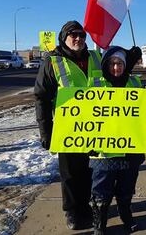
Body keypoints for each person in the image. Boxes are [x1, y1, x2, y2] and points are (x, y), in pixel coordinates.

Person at [34, 21, 101, 230]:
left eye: (82, 35)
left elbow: (113, 80)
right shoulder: (52, 62)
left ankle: (86, 206)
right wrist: (46, 131)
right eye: (74, 35)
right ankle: (72, 211)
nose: (79, 39)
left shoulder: (96, 58)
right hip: (68, 128)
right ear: (64, 38)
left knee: (90, 170)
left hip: (96, 126)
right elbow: (41, 98)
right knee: (71, 173)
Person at [88, 45, 144, 235]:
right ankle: (99, 222)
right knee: (100, 190)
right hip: (103, 151)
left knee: (126, 188)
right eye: (112, 63)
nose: (116, 67)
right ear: (105, 64)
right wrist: (87, 141)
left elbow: (144, 111)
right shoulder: (95, 84)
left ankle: (125, 214)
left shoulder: (135, 83)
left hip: (130, 150)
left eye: (119, 63)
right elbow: (83, 115)